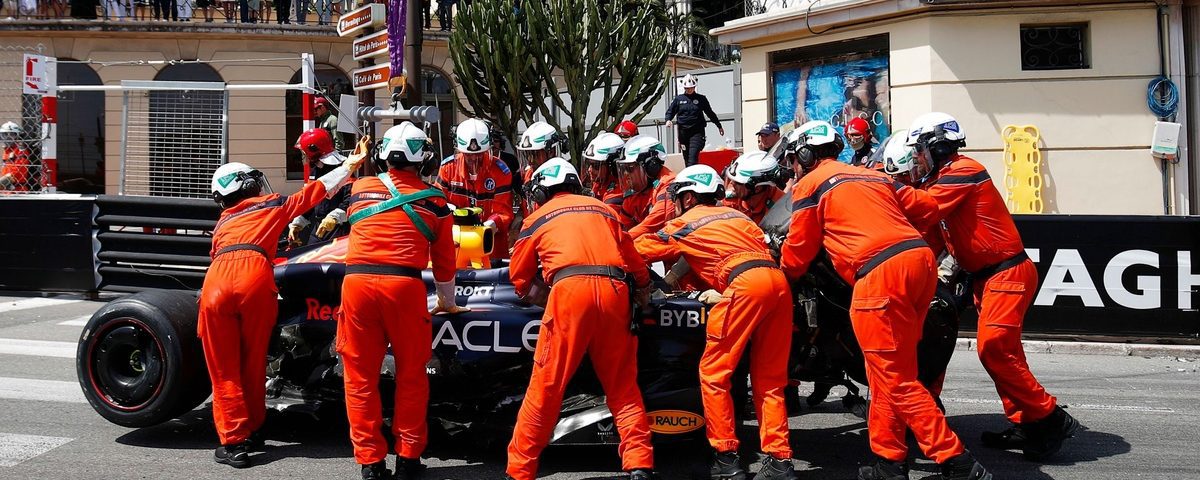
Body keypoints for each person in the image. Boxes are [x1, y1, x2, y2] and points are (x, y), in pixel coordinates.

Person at [777, 120, 990, 480]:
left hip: (879, 274)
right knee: (889, 374)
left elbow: (798, 252)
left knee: (894, 378)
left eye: (794, 159)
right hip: (919, 264)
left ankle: (956, 461)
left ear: (805, 153)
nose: (794, 168)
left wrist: (780, 277)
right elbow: (925, 206)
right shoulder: (872, 176)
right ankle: (889, 461)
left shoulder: (810, 185)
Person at [905, 112, 1079, 462]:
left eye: (920, 149)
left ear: (937, 147)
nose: (916, 158)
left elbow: (923, 210)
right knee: (1006, 354)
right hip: (986, 278)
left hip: (1005, 274)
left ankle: (1050, 416)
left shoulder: (962, 171)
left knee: (994, 349)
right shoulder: (942, 179)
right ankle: (1028, 424)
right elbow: (928, 236)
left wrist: (883, 187)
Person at [200, 141, 365, 469]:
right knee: (253, 362)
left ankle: (234, 444)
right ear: (247, 185)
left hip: (218, 281)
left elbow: (217, 257)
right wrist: (350, 166)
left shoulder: (222, 223)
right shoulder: (270, 204)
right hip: (256, 278)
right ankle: (256, 429)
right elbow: (315, 192)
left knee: (223, 369)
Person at [634, 164, 796, 480]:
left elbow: (641, 248)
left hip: (744, 285)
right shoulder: (737, 216)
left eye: (679, 197)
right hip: (778, 285)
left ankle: (726, 458)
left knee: (714, 373)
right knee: (769, 379)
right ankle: (780, 461)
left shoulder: (685, 221)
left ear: (689, 196)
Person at [506, 157, 655, 480]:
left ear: (542, 192)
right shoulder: (605, 210)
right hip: (616, 292)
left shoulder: (538, 217)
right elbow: (635, 263)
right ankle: (639, 464)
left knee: (546, 387)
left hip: (570, 292)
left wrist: (548, 298)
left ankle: (520, 470)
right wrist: (644, 291)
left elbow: (518, 277)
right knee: (623, 386)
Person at [339, 123, 464, 480]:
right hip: (404, 288)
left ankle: (370, 463)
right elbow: (444, 264)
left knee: (359, 378)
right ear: (423, 159)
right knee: (412, 375)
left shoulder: (360, 189)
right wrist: (447, 302)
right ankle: (409, 458)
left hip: (357, 284)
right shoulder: (436, 200)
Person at [436, 118, 514, 261]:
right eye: (468, 155)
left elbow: (504, 212)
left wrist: (489, 225)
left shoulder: (501, 171)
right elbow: (437, 204)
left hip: (492, 247)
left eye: (479, 154)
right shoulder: (448, 168)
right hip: (455, 245)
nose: (474, 159)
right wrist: (450, 210)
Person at [287, 128, 352, 246]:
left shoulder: (343, 170)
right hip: (318, 227)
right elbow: (311, 199)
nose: (304, 156)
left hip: (339, 227)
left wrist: (335, 217)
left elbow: (350, 199)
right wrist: (298, 223)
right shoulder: (315, 171)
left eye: (304, 152)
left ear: (313, 150)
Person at [616, 134, 675, 238]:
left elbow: (651, 225)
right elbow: (622, 225)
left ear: (651, 166)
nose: (626, 174)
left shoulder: (668, 185)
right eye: (624, 169)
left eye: (629, 168)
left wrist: (621, 240)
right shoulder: (635, 192)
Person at [664, 74, 724, 167]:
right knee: (686, 158)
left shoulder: (701, 99)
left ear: (694, 87)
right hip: (683, 133)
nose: (689, 90)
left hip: (697, 132)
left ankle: (692, 175)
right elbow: (670, 111)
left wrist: (718, 125)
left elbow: (710, 113)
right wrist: (668, 120)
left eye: (691, 88)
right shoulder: (678, 99)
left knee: (692, 157)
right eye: (687, 88)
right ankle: (688, 177)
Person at [724, 151, 787, 224]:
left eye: (737, 182)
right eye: (732, 180)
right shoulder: (731, 199)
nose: (731, 183)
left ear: (757, 188)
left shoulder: (780, 210)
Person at [514, 121, 563, 214]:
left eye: (534, 154)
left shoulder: (562, 177)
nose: (530, 160)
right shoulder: (529, 174)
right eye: (527, 154)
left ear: (551, 152)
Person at [581, 132, 626, 213]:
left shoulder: (617, 195)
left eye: (595, 165)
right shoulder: (600, 183)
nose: (589, 170)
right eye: (588, 164)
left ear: (612, 166)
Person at [0, 122, 34, 192]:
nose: (8, 137)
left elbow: (17, 173)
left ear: (17, 136)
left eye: (12, 134)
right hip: (5, 189)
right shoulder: (7, 151)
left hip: (17, 190)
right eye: (5, 134)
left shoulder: (21, 150)